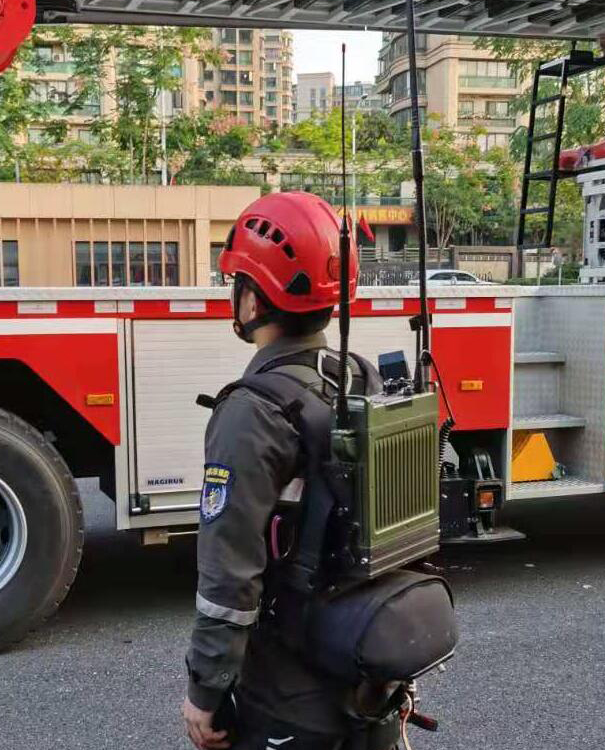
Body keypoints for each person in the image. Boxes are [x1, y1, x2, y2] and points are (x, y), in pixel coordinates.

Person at [182, 192, 381, 750]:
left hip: (289, 693)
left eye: (237, 282)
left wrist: (205, 691)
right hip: (365, 670)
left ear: (253, 299)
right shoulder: (359, 376)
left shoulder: (251, 412)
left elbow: (229, 572)